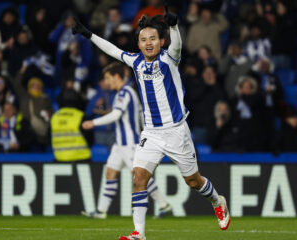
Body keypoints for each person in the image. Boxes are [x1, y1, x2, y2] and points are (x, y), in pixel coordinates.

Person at [72, 5, 230, 240]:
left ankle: (218, 201)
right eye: (144, 39)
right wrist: (89, 35)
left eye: (153, 38)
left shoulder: (169, 58)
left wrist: (175, 26)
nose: (148, 42)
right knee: (138, 178)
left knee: (193, 181)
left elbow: (177, 45)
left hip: (177, 132)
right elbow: (113, 50)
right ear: (138, 44)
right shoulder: (135, 62)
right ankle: (139, 233)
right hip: (152, 133)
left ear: (161, 42)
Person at [81, 62, 172, 219]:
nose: (106, 82)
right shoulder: (124, 93)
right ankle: (101, 211)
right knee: (110, 173)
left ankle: (164, 205)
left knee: (139, 177)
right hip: (120, 144)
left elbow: (116, 115)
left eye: (108, 78)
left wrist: (93, 122)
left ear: (117, 77)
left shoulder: (125, 93)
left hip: (130, 144)